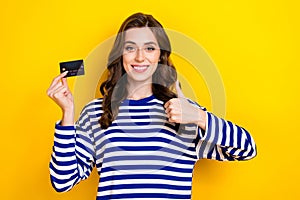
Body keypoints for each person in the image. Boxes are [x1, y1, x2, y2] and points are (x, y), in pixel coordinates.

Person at [47, 12, 257, 200]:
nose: (140, 57)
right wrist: (67, 113)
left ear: (160, 55)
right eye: (131, 48)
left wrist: (200, 117)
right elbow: (62, 181)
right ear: (121, 55)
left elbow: (247, 149)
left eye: (149, 48)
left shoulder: (184, 111)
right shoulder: (96, 113)